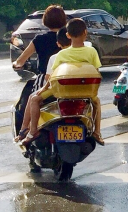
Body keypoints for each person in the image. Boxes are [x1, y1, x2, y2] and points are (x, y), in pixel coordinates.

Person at [21, 18, 104, 146]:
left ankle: (32, 131)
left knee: (34, 100)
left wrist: (43, 89)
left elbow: (53, 77)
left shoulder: (62, 54)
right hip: (85, 91)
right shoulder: (92, 51)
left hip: (62, 91)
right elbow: (96, 72)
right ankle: (97, 132)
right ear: (85, 33)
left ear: (68, 35)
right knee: (97, 103)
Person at [15, 27, 71, 142]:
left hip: (54, 88)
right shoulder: (85, 52)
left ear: (58, 43)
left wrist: (16, 64)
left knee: (33, 98)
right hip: (77, 89)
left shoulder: (41, 40)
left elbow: (48, 78)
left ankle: (27, 130)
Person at [13, 5, 68, 76]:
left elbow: (20, 61)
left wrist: (15, 64)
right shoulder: (70, 37)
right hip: (66, 76)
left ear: (45, 20)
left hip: (45, 78)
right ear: (64, 20)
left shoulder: (39, 39)